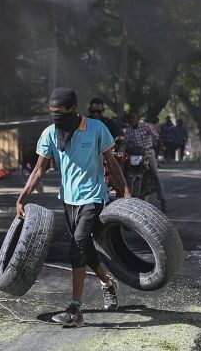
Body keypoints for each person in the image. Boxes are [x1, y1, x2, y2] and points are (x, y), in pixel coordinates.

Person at [16, 87, 131, 327]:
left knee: (77, 246)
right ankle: (108, 284)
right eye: (52, 113)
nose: (55, 117)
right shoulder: (50, 134)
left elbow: (111, 163)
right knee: (86, 251)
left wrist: (125, 192)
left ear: (73, 109)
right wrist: (22, 197)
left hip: (93, 197)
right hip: (68, 200)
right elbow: (39, 170)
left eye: (60, 112)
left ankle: (75, 309)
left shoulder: (97, 129)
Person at [125, 113, 167, 212]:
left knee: (156, 175)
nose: (131, 120)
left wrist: (160, 141)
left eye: (133, 117)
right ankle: (128, 199)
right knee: (127, 173)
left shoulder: (146, 126)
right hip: (135, 156)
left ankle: (163, 199)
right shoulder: (128, 130)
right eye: (130, 118)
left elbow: (155, 135)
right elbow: (125, 142)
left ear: (137, 118)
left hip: (148, 154)